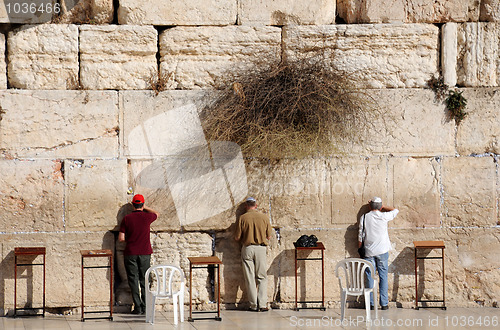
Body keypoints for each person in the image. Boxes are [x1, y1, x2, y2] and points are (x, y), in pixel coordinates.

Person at [118, 194, 159, 314]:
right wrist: (145, 207)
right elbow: (157, 213)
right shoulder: (147, 217)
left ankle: (138, 307)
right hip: (145, 253)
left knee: (133, 279)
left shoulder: (127, 219)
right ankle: (146, 306)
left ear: (132, 205)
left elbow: (121, 238)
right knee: (145, 279)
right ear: (142, 204)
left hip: (130, 252)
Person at [358, 197, 399, 310]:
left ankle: (371, 303)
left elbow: (360, 234)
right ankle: (384, 303)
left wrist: (360, 249)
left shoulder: (364, 217)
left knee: (369, 276)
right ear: (380, 207)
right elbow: (395, 210)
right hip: (382, 251)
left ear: (370, 206)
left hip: (369, 251)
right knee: (383, 276)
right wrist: (383, 206)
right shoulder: (384, 216)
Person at [234, 197, 273, 312]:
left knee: (249, 277)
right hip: (260, 248)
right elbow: (269, 236)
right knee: (262, 276)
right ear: (256, 205)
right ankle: (262, 304)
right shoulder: (264, 217)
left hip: (247, 248)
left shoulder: (242, 218)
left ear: (246, 206)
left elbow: (237, 237)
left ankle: (253, 305)